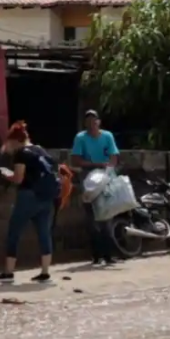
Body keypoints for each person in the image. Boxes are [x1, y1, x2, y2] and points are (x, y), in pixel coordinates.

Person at [0, 121, 61, 283]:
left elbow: (19, 178)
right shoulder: (41, 150)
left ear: (15, 140)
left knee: (14, 231)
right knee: (44, 233)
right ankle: (45, 272)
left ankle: (8, 271)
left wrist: (7, 175)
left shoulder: (21, 153)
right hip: (46, 196)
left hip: (28, 196)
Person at [71, 109, 120, 266]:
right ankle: (96, 255)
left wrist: (108, 170)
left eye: (94, 120)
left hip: (106, 180)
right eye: (88, 121)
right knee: (92, 219)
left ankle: (109, 254)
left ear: (99, 122)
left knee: (107, 217)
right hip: (89, 181)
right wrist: (97, 164)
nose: (92, 124)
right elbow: (77, 160)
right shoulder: (80, 138)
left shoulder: (107, 136)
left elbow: (113, 156)